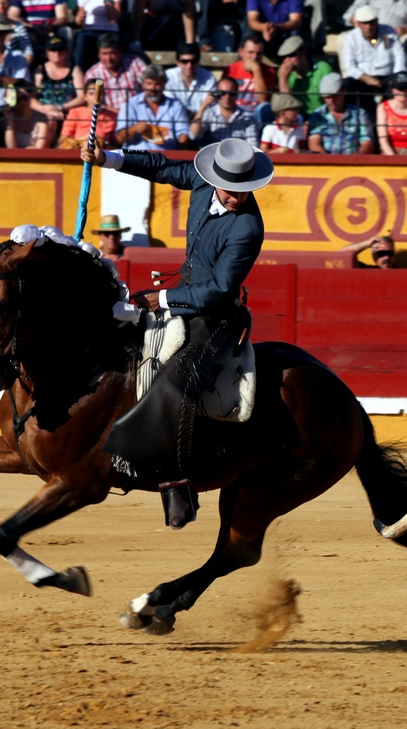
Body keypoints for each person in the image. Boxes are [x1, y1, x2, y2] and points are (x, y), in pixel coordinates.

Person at [81, 135, 275, 528]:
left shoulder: (248, 228)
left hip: (215, 317)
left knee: (177, 380)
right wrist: (109, 158)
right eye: (231, 189)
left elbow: (220, 290)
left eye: (244, 190)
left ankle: (178, 481)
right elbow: (161, 167)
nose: (237, 197)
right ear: (216, 178)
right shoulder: (203, 182)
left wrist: (164, 300)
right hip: (184, 291)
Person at [341, 6, 407, 107]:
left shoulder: (389, 31)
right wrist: (367, 79)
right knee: (347, 84)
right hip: (363, 79)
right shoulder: (351, 38)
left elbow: (400, 55)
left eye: (371, 22)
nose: (368, 27)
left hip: (388, 78)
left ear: (377, 21)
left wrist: (396, 77)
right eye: (364, 23)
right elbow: (349, 66)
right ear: (358, 24)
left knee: (403, 83)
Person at [117, 64, 191, 150]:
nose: (153, 88)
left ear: (164, 85)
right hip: (137, 156)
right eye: (149, 83)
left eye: (157, 84)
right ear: (143, 84)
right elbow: (120, 138)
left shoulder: (176, 105)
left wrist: (183, 138)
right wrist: (134, 129)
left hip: (167, 156)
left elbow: (183, 134)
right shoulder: (131, 104)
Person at [307, 72, 375, 153]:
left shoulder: (360, 114)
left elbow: (368, 143)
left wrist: (353, 161)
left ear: (343, 91)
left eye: (335, 96)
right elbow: (314, 144)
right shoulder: (317, 115)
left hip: (353, 163)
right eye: (327, 97)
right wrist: (328, 162)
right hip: (326, 163)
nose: (331, 100)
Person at [82, 33, 147, 117]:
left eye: (112, 53)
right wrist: (118, 112)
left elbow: (149, 85)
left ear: (120, 52)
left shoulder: (134, 63)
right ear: (99, 55)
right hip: (110, 118)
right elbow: (92, 103)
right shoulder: (93, 74)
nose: (108, 58)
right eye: (104, 54)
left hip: (138, 115)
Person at [192, 75, 259, 146]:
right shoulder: (210, 113)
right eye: (222, 93)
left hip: (239, 155)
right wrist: (203, 106)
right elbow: (194, 135)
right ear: (217, 94)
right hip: (213, 154)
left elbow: (253, 146)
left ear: (237, 94)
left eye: (231, 93)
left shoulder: (248, 117)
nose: (227, 97)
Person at [276, 35, 332, 116]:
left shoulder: (323, 70)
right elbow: (286, 105)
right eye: (283, 57)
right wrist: (283, 80)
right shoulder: (282, 73)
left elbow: (332, 101)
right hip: (296, 118)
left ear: (303, 53)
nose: (286, 60)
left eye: (291, 55)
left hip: (322, 116)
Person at [225, 33, 275, 119]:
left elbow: (263, 100)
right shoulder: (231, 69)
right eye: (250, 52)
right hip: (236, 112)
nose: (255, 57)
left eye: (259, 53)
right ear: (241, 52)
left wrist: (257, 70)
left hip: (257, 114)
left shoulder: (269, 71)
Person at [35, 35, 85, 119]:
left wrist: (60, 108)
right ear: (47, 52)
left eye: (60, 49)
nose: (57, 53)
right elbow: (31, 98)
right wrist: (45, 110)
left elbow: (82, 97)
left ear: (67, 51)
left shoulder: (75, 70)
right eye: (53, 50)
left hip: (68, 114)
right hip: (44, 114)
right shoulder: (40, 70)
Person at [377, 70, 407, 154]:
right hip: (388, 154)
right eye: (399, 89)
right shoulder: (383, 107)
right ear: (392, 89)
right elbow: (383, 139)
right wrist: (393, 160)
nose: (403, 92)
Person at [57, 79, 117, 147]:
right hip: (78, 150)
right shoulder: (75, 112)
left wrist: (101, 141)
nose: (95, 97)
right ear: (85, 96)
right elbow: (62, 142)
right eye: (91, 94)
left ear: (104, 96)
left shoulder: (112, 116)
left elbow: (116, 144)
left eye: (99, 94)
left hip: (102, 151)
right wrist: (82, 140)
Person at [164, 41, 215, 117]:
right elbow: (169, 106)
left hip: (202, 123)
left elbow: (211, 109)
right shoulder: (168, 77)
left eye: (193, 61)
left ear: (198, 62)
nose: (189, 65)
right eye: (184, 61)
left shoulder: (209, 78)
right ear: (178, 63)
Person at [73, 0, 121, 70]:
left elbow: (114, 18)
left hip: (109, 30)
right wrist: (79, 18)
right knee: (81, 39)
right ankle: (79, 73)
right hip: (88, 31)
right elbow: (79, 21)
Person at [4, 79, 53, 147]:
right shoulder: (10, 117)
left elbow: (40, 149)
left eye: (24, 98)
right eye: (17, 100)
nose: (22, 103)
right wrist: (9, 121)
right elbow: (11, 148)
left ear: (31, 98)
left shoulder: (41, 118)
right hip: (14, 157)